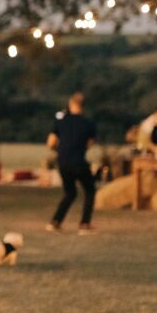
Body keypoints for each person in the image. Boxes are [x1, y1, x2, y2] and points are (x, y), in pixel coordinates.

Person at [46, 91, 98, 233]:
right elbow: (89, 144)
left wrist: (61, 150)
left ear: (70, 104)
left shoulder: (60, 121)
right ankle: (85, 223)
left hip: (63, 162)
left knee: (70, 193)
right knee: (90, 191)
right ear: (83, 106)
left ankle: (55, 222)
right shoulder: (89, 123)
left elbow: (50, 143)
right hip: (79, 161)